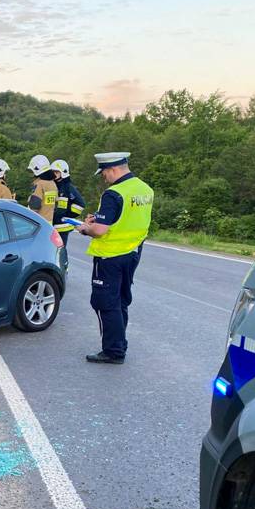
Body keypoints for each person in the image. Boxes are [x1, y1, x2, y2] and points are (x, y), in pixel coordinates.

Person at [75, 152, 154, 364]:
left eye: (104, 173)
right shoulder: (145, 189)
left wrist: (85, 228)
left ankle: (113, 351)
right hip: (132, 254)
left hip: (109, 256)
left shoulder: (113, 193)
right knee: (121, 301)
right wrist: (98, 219)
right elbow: (124, 218)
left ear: (113, 169)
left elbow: (99, 231)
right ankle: (120, 343)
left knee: (105, 303)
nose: (104, 178)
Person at [50, 159, 86, 246]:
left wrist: (67, 214)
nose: (54, 174)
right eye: (53, 172)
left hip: (62, 226)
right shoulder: (53, 185)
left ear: (63, 172)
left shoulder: (68, 187)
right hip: (53, 224)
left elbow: (81, 205)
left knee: (60, 250)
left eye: (56, 172)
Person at [27, 154, 57, 222]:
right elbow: (55, 205)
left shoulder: (40, 184)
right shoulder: (53, 184)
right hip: (49, 223)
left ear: (37, 169)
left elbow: (34, 206)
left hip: (38, 223)